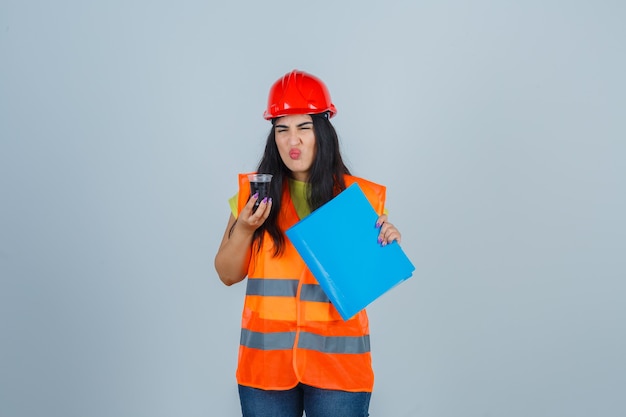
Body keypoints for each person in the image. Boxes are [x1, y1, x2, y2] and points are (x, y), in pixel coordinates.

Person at [214, 69, 402, 417]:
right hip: (267, 370)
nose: (292, 141)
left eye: (304, 127)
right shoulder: (254, 195)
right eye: (282, 129)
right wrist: (243, 228)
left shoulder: (357, 198)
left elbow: (366, 280)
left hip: (338, 368)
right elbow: (227, 274)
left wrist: (385, 247)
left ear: (323, 132)